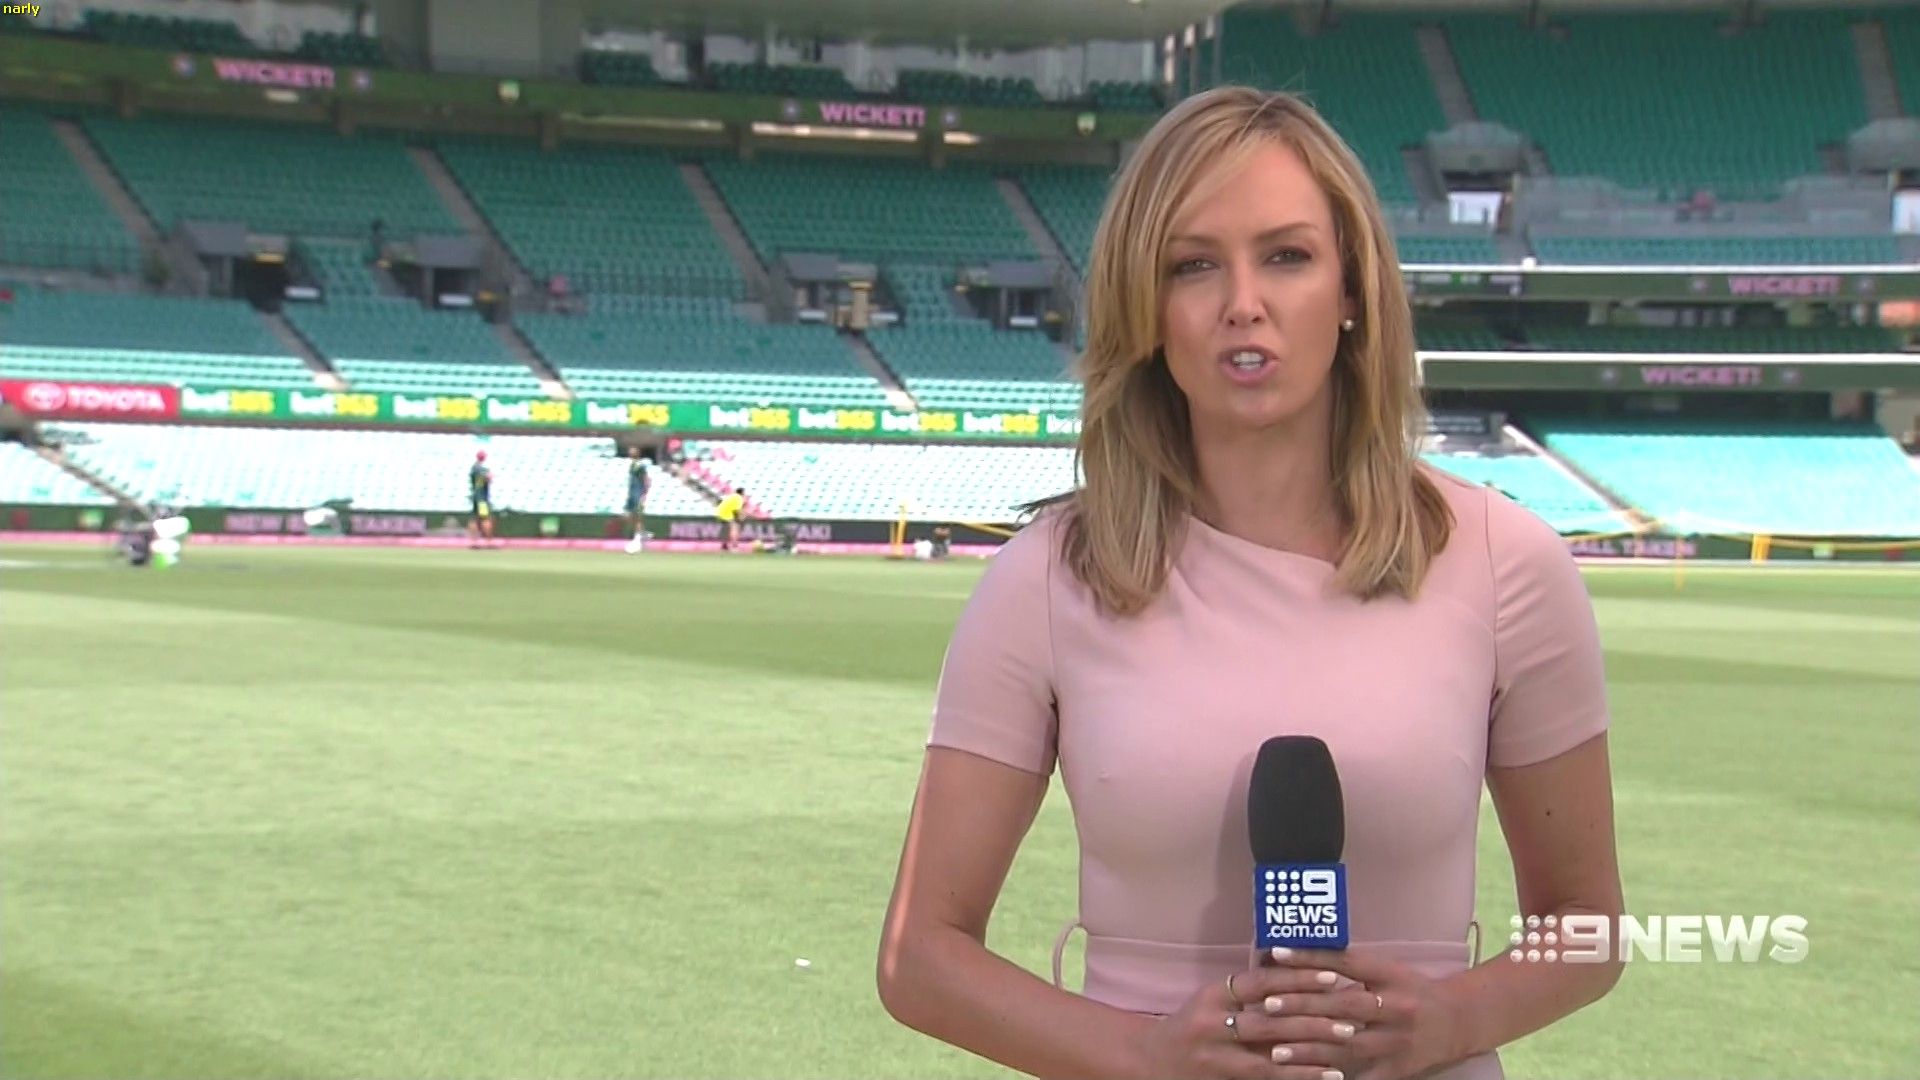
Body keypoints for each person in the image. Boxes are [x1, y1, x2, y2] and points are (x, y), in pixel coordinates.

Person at [878, 87, 1623, 1080]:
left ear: (1352, 290)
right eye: (1193, 265)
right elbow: (920, 958)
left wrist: (1449, 1020)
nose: (1243, 302)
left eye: (1286, 256)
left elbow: (1589, 926)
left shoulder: (1505, 562)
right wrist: (1148, 1055)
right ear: (1147, 309)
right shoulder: (1047, 580)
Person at [623, 446, 652, 553]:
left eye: (632, 451)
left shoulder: (640, 465)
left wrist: (644, 493)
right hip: (631, 494)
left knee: (637, 516)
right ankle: (642, 533)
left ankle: (638, 538)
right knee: (628, 515)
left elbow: (646, 479)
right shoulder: (632, 465)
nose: (630, 453)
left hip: (637, 494)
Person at [468, 450, 495, 547]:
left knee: (474, 519)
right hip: (482, 498)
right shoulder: (482, 469)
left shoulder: (473, 468)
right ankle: (488, 542)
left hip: (475, 496)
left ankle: (474, 542)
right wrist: (490, 476)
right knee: (486, 519)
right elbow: (489, 477)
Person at [715, 486, 746, 552]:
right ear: (742, 493)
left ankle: (724, 546)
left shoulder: (732, 496)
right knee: (735, 528)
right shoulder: (739, 498)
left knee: (727, 530)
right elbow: (737, 510)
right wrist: (741, 517)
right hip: (726, 513)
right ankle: (735, 546)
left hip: (719, 512)